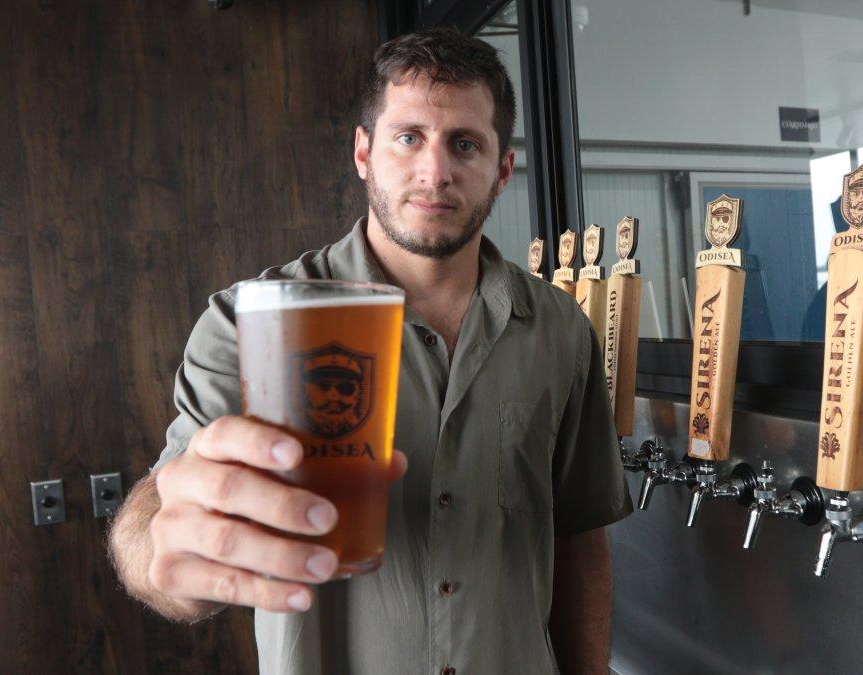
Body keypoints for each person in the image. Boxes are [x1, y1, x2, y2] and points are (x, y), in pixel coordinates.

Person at [107, 27, 632, 674]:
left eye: (464, 144)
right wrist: (165, 544)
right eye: (408, 137)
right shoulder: (251, 323)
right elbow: (161, 513)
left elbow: (580, 535)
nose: (434, 172)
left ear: (502, 171)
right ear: (363, 152)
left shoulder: (560, 328)